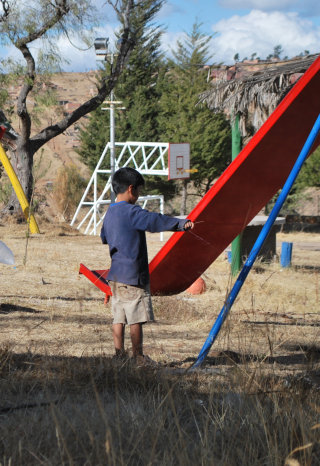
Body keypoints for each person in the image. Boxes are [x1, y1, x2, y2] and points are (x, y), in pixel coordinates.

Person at [101, 167, 194, 364]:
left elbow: (104, 237)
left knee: (119, 317)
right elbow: (154, 221)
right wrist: (179, 224)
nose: (139, 196)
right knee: (135, 318)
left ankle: (119, 355)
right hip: (133, 276)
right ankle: (138, 357)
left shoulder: (110, 212)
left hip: (115, 276)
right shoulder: (132, 212)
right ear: (131, 189)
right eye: (139, 192)